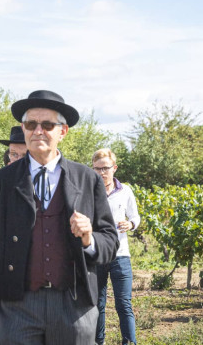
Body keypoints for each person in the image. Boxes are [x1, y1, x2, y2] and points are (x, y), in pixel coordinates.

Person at [0, 90, 119, 345]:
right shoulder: (1, 182)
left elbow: (110, 240)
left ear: (62, 131)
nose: (38, 131)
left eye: (47, 125)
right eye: (31, 124)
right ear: (23, 129)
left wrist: (89, 239)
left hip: (73, 305)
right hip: (16, 306)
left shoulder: (87, 179)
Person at [92, 148, 140, 345]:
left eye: (105, 168)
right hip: (98, 254)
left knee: (124, 303)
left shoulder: (125, 190)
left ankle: (129, 342)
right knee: (98, 304)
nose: (101, 173)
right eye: (97, 169)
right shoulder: (90, 190)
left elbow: (135, 216)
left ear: (114, 168)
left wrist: (131, 224)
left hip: (121, 255)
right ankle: (98, 342)